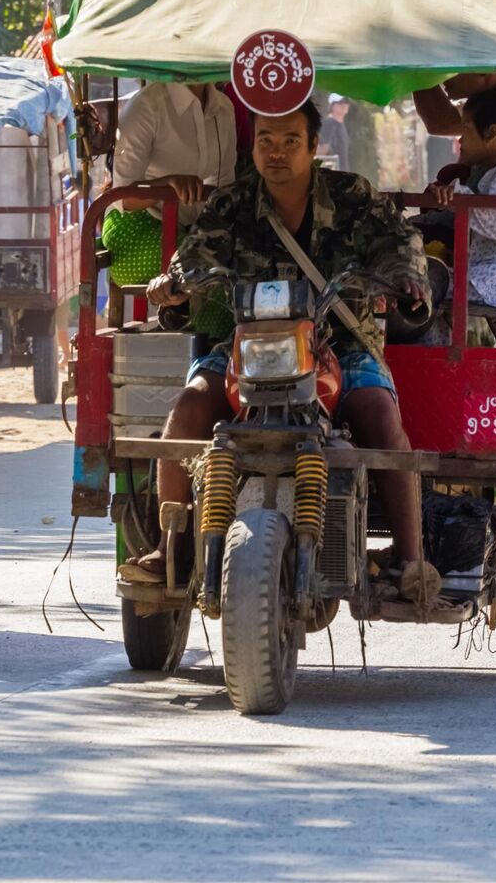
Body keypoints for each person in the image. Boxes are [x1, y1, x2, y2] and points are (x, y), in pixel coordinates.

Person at [118, 101, 442, 608]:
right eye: (266, 139)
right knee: (188, 407)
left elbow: (400, 241)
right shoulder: (231, 205)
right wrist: (174, 285)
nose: (277, 152)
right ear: (254, 145)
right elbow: (195, 255)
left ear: (314, 146)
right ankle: (170, 547)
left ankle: (409, 558)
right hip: (249, 345)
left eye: (291, 141)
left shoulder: (353, 196)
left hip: (343, 344)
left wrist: (405, 277)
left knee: (379, 414)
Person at [413, 87, 496, 342]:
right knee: (431, 285)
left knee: (423, 284)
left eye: (466, 128)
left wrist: (457, 197)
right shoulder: (494, 173)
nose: (460, 139)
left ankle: (434, 351)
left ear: (491, 133)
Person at [111, 81, 241, 223]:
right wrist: (167, 184)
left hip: (189, 226)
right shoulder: (146, 106)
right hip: (137, 222)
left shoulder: (223, 108)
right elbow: (123, 198)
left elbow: (223, 184)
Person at [319, 94, 352, 171]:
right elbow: (321, 151)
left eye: (346, 102)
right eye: (340, 102)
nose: (344, 105)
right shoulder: (329, 123)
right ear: (332, 106)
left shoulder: (341, 124)